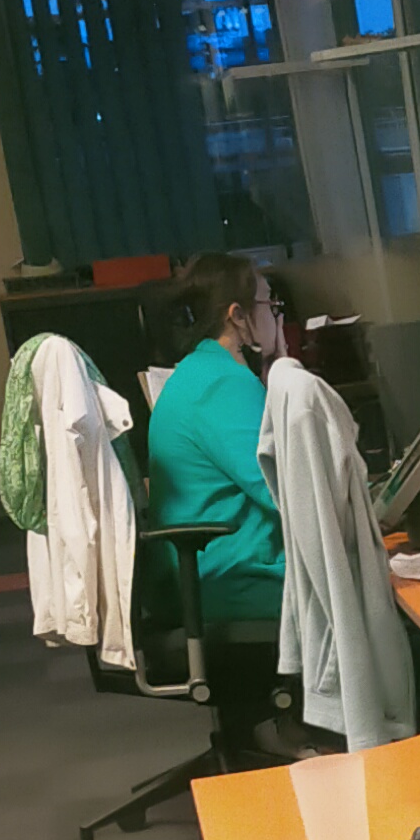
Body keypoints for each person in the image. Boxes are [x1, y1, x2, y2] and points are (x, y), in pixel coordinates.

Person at [145, 251, 286, 621]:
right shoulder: (224, 385)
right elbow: (285, 490)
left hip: (205, 576)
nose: (277, 317)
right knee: (372, 591)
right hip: (234, 580)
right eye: (270, 304)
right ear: (237, 316)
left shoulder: (202, 370)